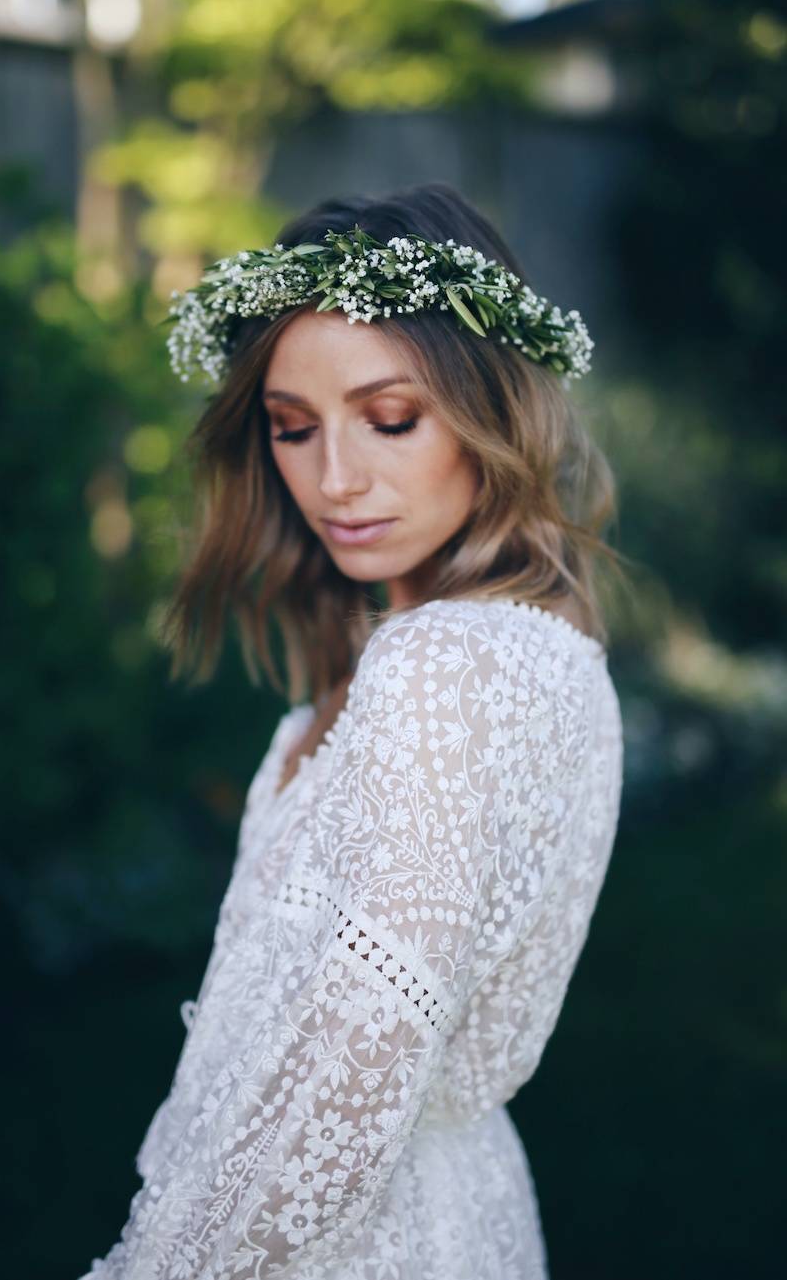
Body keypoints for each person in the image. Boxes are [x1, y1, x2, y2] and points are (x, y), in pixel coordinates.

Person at [79, 181, 626, 1279]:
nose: (333, 479)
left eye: (388, 420)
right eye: (290, 428)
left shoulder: (443, 664)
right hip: (460, 1212)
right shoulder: (531, 653)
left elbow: (361, 1056)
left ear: (490, 411)